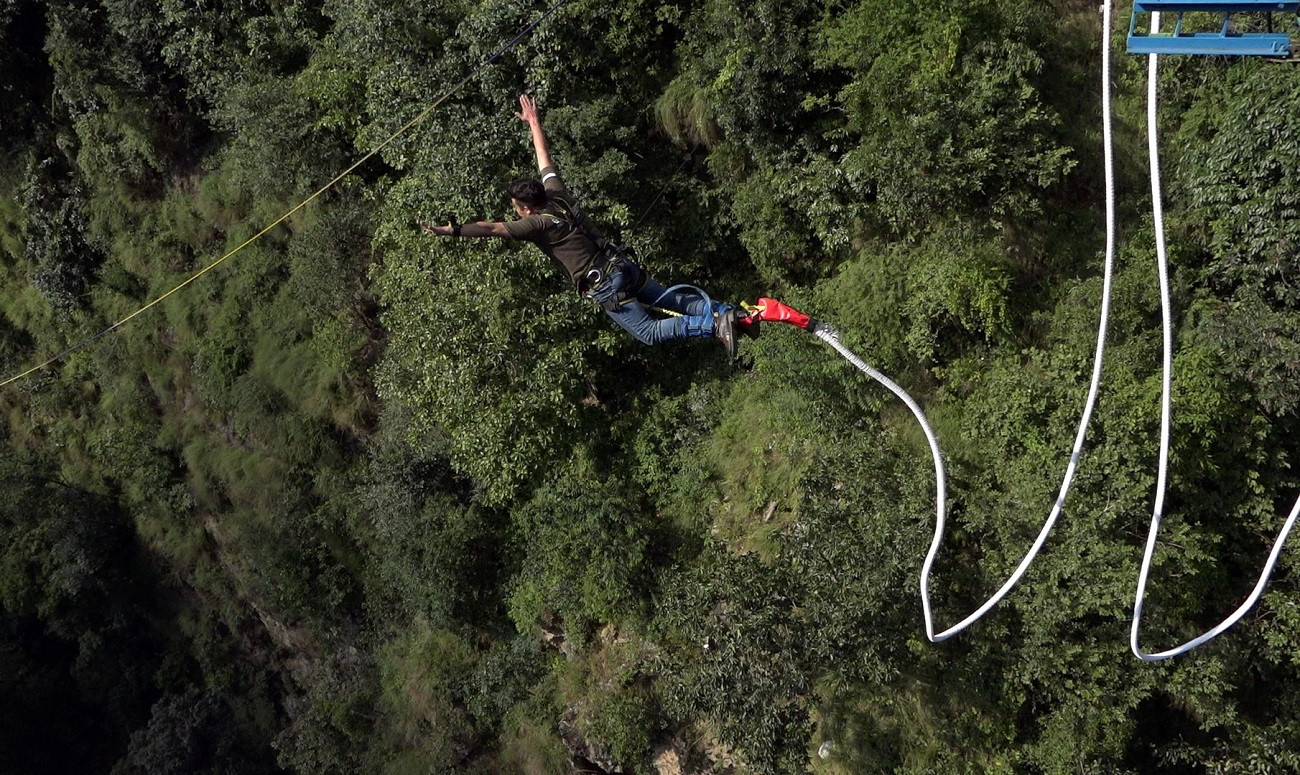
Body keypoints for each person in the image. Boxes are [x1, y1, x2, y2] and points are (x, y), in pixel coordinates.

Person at [419, 94, 755, 358]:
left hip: (606, 284)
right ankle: (732, 316)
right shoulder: (556, 192)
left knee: (649, 333)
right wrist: (534, 122)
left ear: (525, 207)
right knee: (674, 300)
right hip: (620, 264)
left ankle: (715, 325)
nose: (514, 212)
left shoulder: (536, 224)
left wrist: (451, 230)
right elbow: (544, 158)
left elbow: (490, 228)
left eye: (515, 207)